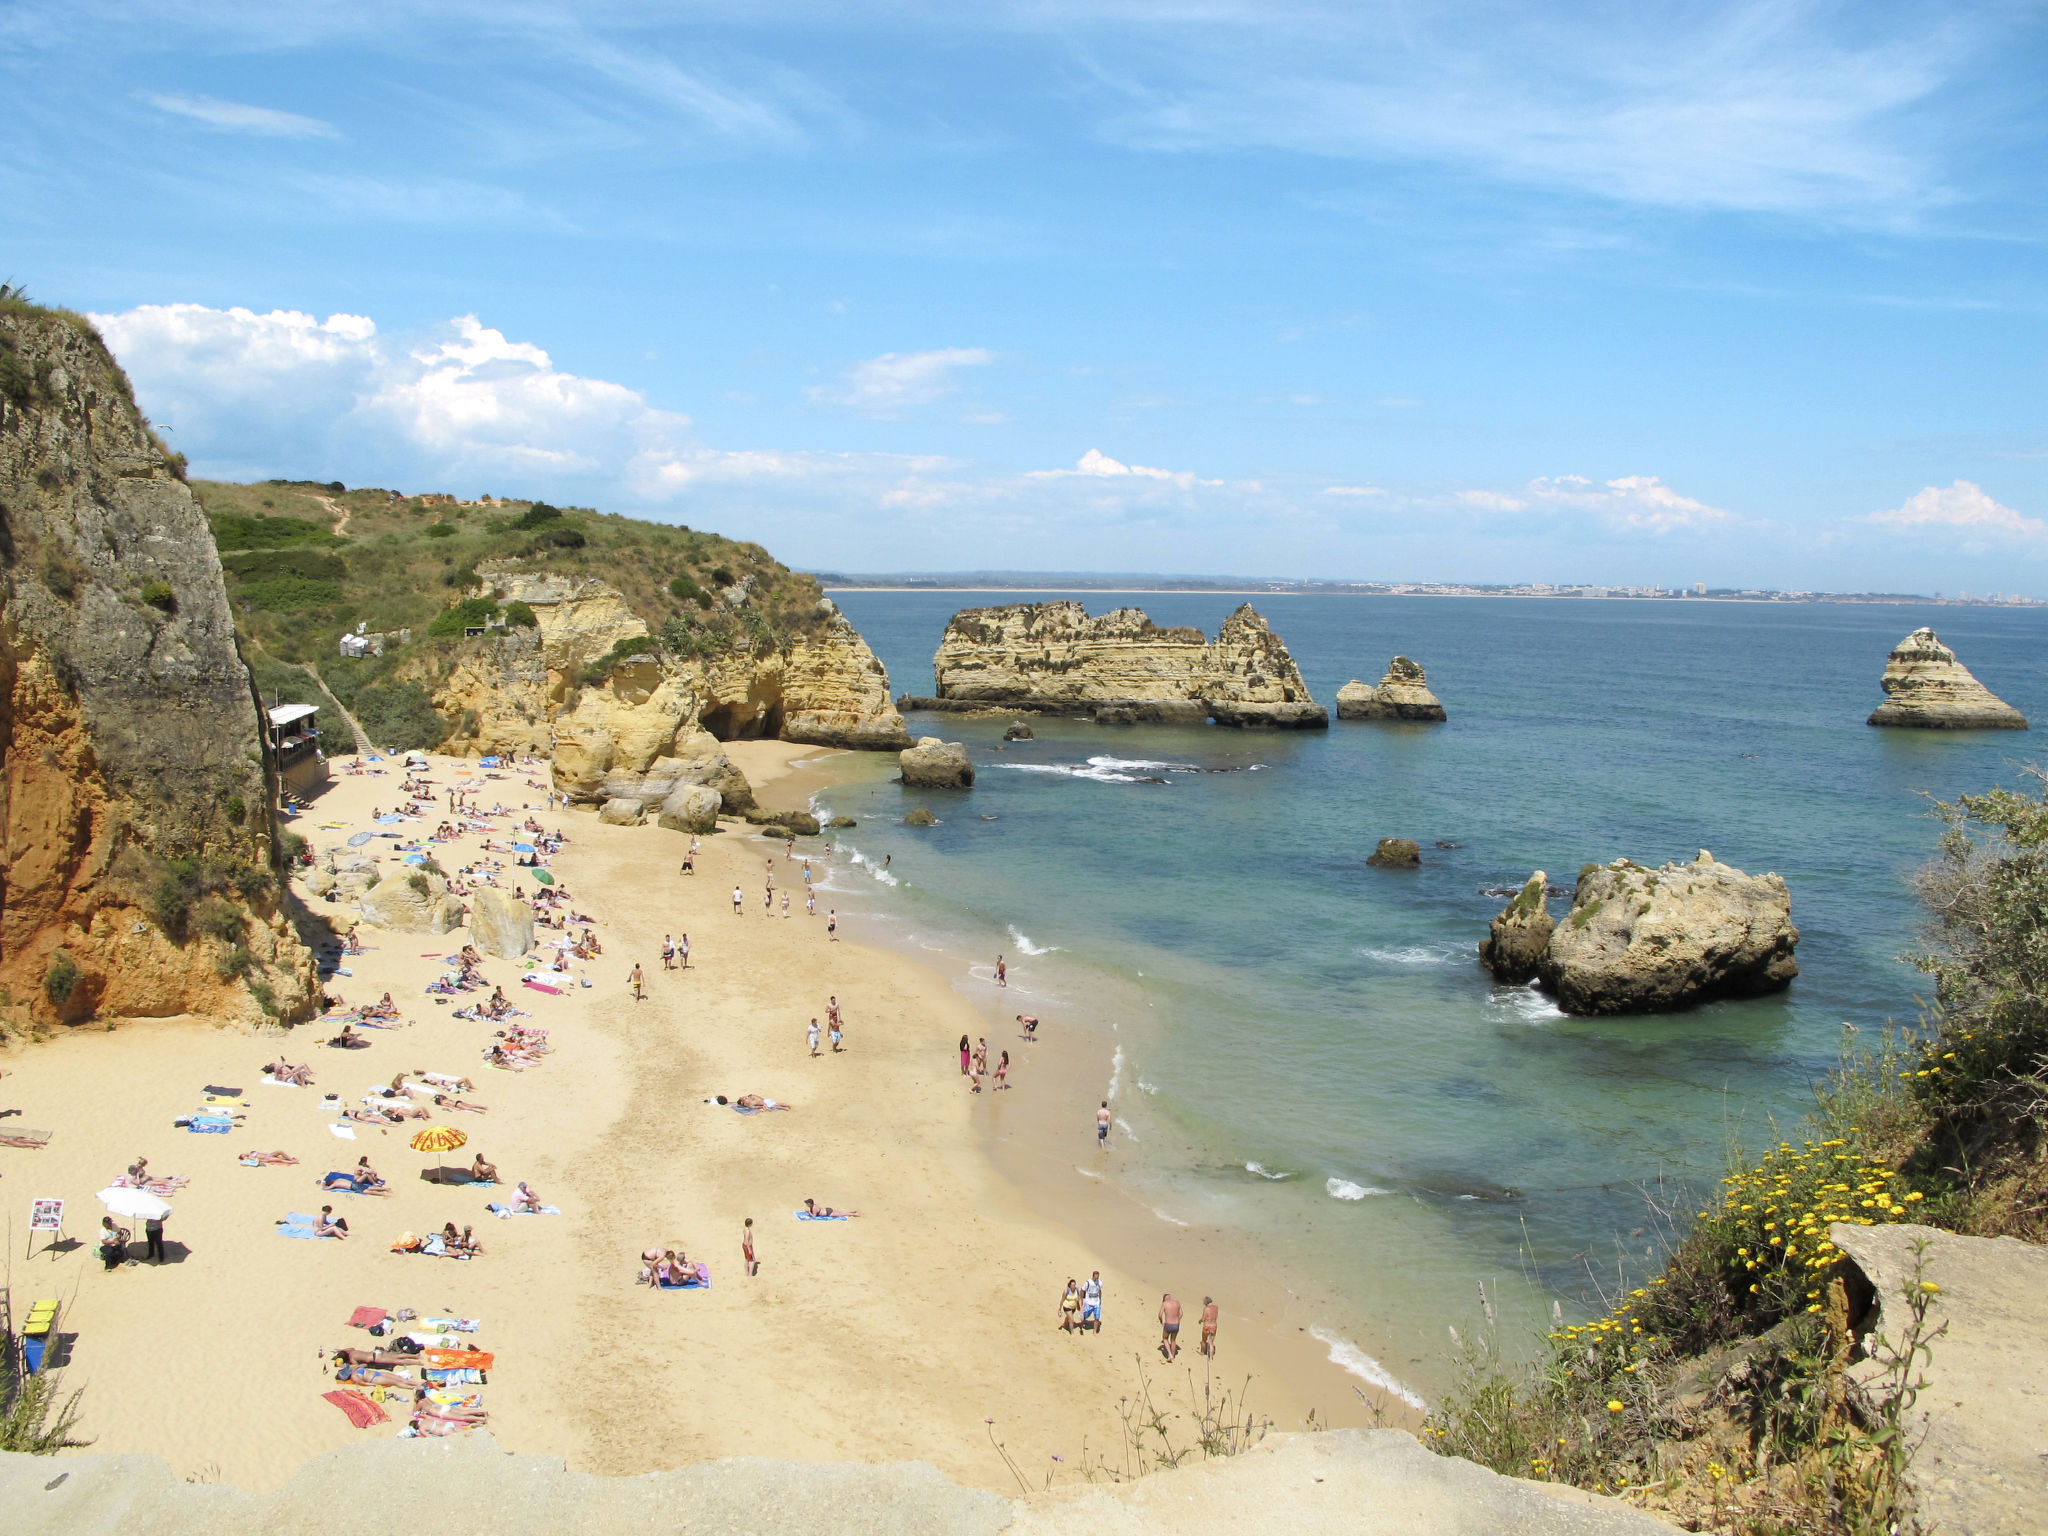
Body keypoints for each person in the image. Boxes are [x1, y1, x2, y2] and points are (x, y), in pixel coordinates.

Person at [1158, 1293, 1183, 1360]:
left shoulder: (1165, 1303)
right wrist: (1177, 1320)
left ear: (1164, 1299)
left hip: (1168, 1324)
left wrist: (1161, 1322)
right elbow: (1181, 1314)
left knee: (1165, 1339)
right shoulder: (1177, 1302)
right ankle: (1173, 1355)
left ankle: (1170, 1354)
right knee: (1173, 1340)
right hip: (1176, 1324)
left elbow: (1160, 1315)